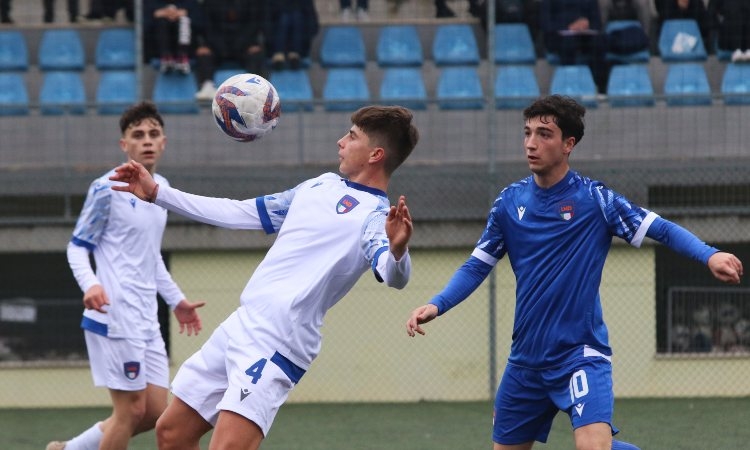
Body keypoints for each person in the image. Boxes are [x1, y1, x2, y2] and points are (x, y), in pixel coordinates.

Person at [406, 95, 743, 450]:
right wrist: (437, 304)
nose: (531, 143)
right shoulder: (508, 203)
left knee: (592, 448)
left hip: (579, 355)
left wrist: (710, 255)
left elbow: (660, 228)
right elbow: (476, 265)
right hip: (526, 362)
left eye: (544, 134)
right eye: (527, 132)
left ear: (569, 144)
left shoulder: (595, 199)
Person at [108, 105, 419, 450]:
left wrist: (399, 250)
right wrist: (157, 193)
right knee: (171, 433)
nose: (340, 141)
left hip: (279, 342)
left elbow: (393, 275)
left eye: (351, 136)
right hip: (241, 325)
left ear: (375, 154)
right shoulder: (320, 185)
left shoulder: (376, 217)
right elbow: (240, 212)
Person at [46, 101, 206, 450]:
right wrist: (91, 284)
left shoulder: (160, 189)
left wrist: (176, 300)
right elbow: (77, 246)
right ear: (124, 145)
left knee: (154, 412)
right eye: (137, 135)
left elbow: (152, 258)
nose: (146, 140)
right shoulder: (107, 188)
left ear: (164, 141)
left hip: (146, 320)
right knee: (130, 411)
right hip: (114, 316)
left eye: (153, 133)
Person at [193, 0, 268, 100]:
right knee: (203, 53)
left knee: (256, 53)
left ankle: (254, 90)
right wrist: (216, 45)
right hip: (217, 45)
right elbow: (207, 26)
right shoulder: (210, 3)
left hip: (244, 44)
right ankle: (207, 86)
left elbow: (253, 25)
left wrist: (245, 44)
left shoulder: (251, 3)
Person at [541, 0, 610, 93]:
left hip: (585, 35)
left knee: (599, 43)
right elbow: (546, 23)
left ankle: (599, 87)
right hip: (559, 37)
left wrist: (586, 23)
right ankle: (569, 87)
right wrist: (569, 27)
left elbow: (597, 23)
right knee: (568, 44)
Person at [143, 0, 204, 74]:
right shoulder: (152, 2)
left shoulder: (190, 2)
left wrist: (185, 14)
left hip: (187, 47)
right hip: (157, 49)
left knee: (184, 20)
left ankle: (182, 58)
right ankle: (166, 58)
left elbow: (200, 25)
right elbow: (143, 27)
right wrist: (156, 15)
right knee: (162, 22)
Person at [268, 0, 319, 71]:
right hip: (275, 40)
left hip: (300, 42)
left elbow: (311, 18)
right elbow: (265, 17)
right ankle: (279, 55)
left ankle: (294, 55)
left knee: (296, 17)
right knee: (284, 19)